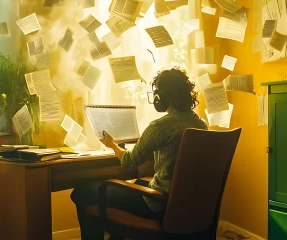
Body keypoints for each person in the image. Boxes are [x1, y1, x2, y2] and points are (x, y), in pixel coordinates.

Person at [70, 68, 208, 240]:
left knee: (83, 190)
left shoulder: (160, 126)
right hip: (190, 206)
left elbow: (129, 162)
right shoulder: (201, 123)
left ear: (161, 96)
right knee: (139, 181)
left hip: (159, 205)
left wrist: (111, 144)